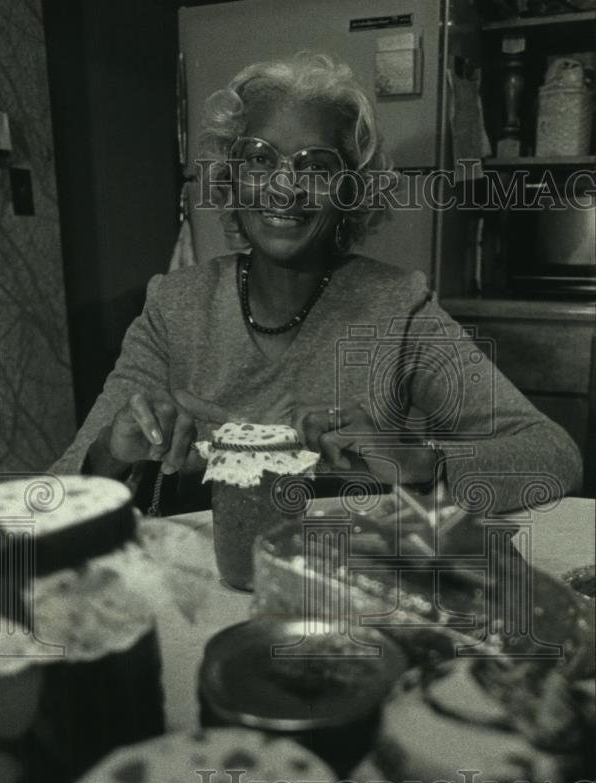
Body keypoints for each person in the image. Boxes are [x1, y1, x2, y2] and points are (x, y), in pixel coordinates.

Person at [51, 52, 582, 514]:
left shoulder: (397, 310)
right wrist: (112, 451)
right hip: (199, 585)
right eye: (260, 159)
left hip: (342, 585)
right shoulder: (174, 306)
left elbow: (553, 454)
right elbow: (63, 483)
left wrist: (419, 460)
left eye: (317, 167)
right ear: (229, 179)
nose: (285, 188)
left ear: (352, 190)